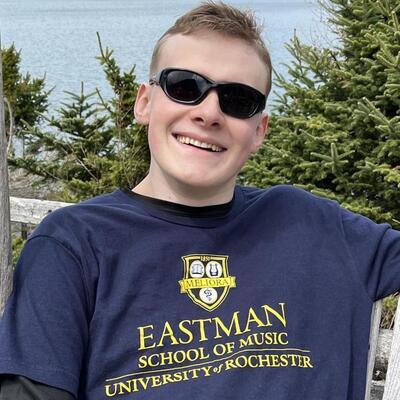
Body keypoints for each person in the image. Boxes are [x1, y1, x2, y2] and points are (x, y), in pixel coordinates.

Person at [0, 2, 399, 400]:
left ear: (259, 131)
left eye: (238, 100)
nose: (209, 113)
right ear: (144, 103)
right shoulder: (74, 245)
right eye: (184, 87)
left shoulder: (312, 224)